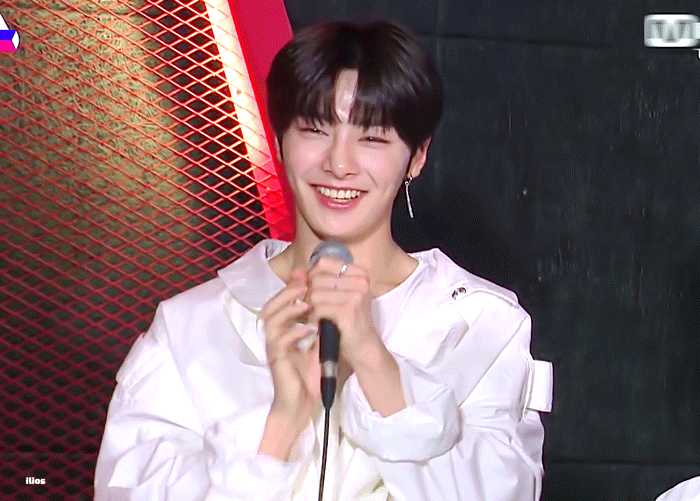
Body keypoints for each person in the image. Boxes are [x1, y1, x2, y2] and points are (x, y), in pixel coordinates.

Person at [94, 19, 552, 501]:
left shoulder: (483, 326)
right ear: (279, 141)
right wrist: (282, 425)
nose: (339, 163)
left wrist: (373, 361)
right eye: (314, 130)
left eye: (372, 138)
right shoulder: (190, 328)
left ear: (417, 156)